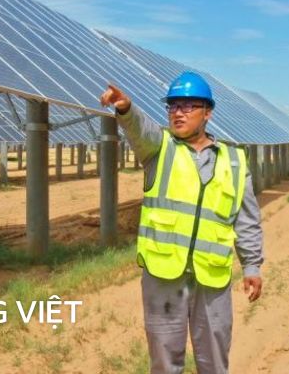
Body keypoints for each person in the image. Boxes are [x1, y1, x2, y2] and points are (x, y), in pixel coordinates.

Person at [99, 71, 264, 374]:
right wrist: (126, 109)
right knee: (164, 362)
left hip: (211, 277)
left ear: (207, 112)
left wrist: (252, 265)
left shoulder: (235, 162)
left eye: (188, 106)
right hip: (164, 274)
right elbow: (140, 129)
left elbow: (247, 220)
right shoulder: (158, 149)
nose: (178, 113)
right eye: (173, 106)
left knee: (214, 361)